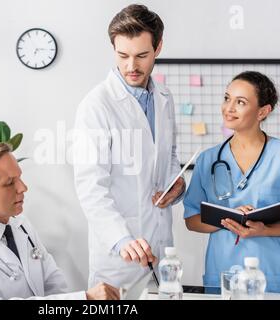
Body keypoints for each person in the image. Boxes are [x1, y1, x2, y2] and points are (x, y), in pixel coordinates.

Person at [72, 4, 185, 289]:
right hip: (119, 257)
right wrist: (121, 238)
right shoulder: (96, 105)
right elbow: (90, 186)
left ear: (158, 48)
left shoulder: (164, 97)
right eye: (122, 55)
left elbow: (168, 155)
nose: (131, 66)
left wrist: (177, 183)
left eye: (141, 56)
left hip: (160, 247)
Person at [183, 71, 280, 295]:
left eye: (240, 102)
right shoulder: (208, 159)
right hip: (223, 269)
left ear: (263, 111)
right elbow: (192, 220)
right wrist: (229, 218)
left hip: (275, 269)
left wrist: (263, 230)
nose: (228, 108)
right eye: (227, 98)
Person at [0, 142, 119, 300]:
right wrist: (84, 298)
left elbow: (54, 284)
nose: (23, 187)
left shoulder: (21, 225)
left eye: (19, 177)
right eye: (10, 182)